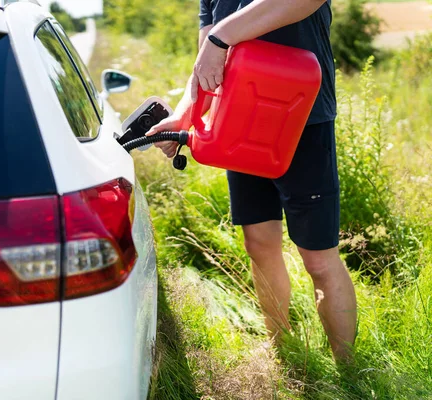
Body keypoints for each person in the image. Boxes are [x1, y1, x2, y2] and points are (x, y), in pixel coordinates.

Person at [147, 0, 357, 362]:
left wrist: (221, 36)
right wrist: (185, 115)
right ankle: (283, 352)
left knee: (319, 260)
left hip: (303, 118)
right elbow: (206, 61)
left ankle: (349, 369)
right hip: (239, 118)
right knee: (259, 242)